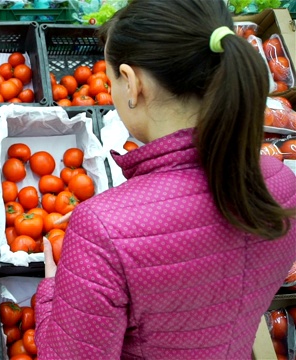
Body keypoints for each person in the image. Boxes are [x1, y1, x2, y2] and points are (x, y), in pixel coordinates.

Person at [34, 0, 296, 358]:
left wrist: (53, 289)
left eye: (111, 79)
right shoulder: (283, 184)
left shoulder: (101, 232)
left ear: (131, 82)